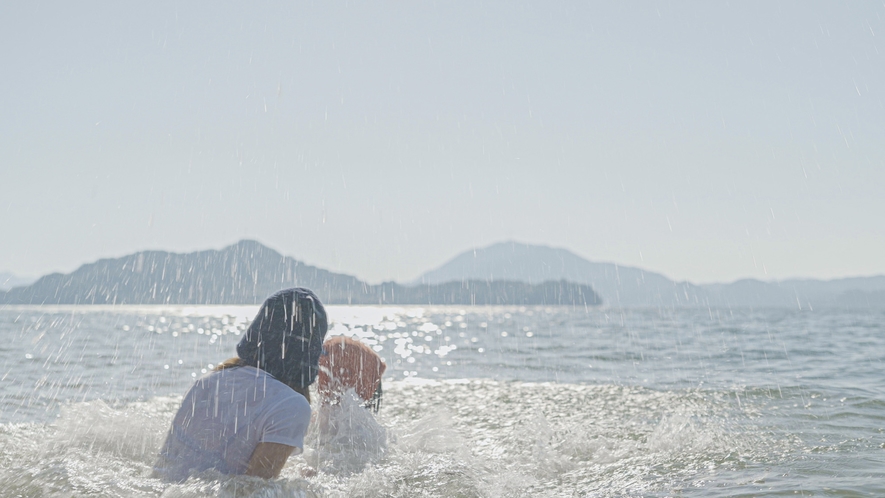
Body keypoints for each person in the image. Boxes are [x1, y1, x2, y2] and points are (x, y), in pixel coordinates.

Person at [153, 288, 328, 482]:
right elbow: (254, 489)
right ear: (309, 354)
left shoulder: (208, 381)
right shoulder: (291, 406)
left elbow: (180, 468)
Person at [316, 336, 386, 412]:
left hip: (340, 355)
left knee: (327, 409)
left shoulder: (324, 360)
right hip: (369, 360)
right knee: (361, 411)